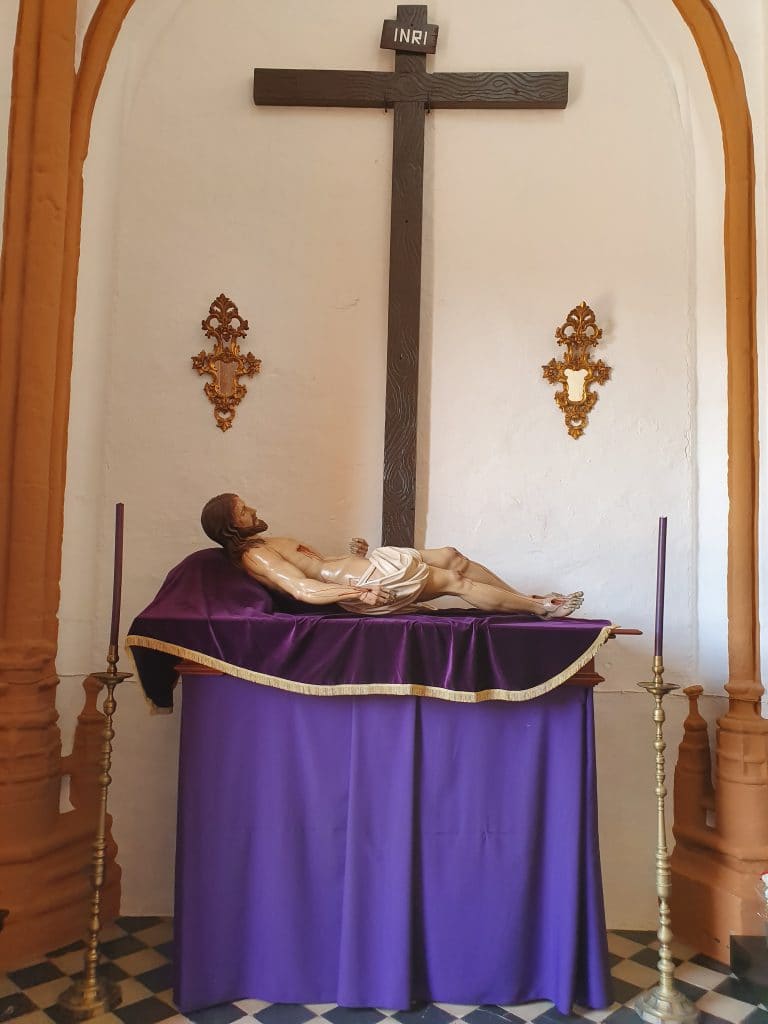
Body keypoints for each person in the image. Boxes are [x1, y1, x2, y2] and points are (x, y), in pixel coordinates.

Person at [200, 493, 584, 618]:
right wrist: (358, 592)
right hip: (369, 584)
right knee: (455, 582)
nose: (252, 510)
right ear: (232, 526)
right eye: (243, 511)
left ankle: (525, 597)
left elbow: (318, 565)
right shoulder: (257, 556)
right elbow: (303, 588)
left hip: (369, 567)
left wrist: (350, 554)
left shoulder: (267, 543)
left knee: (453, 557)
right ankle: (539, 609)